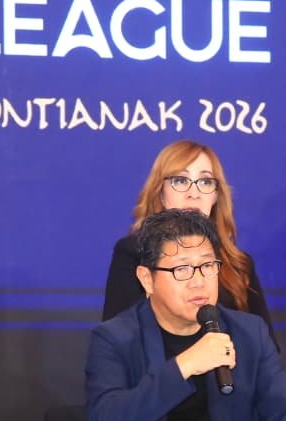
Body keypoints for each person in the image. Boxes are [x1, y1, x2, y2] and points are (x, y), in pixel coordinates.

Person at [86, 209, 286, 421]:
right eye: (182, 269)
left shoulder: (249, 332)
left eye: (207, 266)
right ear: (147, 279)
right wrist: (185, 365)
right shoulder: (115, 338)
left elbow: (283, 405)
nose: (198, 282)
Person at [101, 140, 274, 338]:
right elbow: (116, 340)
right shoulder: (133, 252)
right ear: (160, 192)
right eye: (181, 181)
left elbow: (266, 345)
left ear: (216, 196)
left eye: (205, 182)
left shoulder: (238, 263)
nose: (194, 193)